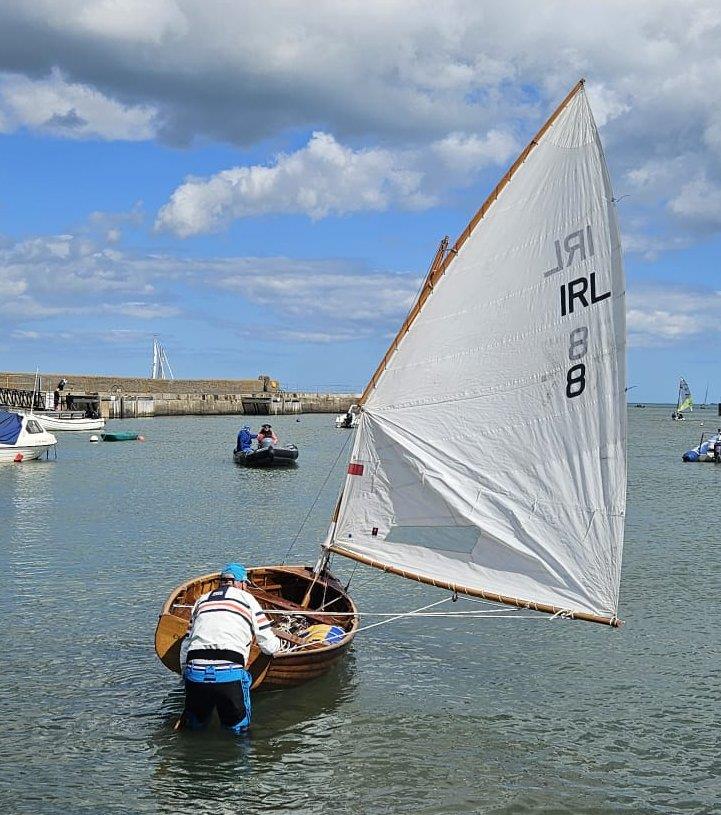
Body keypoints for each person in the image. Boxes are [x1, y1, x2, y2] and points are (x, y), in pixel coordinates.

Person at [179, 563, 281, 734]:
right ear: (240, 583)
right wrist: (280, 645)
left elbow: (186, 645)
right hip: (229, 674)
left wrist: (185, 674)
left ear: (222, 582)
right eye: (246, 584)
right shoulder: (247, 599)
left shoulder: (201, 600)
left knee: (194, 728)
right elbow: (268, 645)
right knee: (238, 732)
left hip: (194, 673)